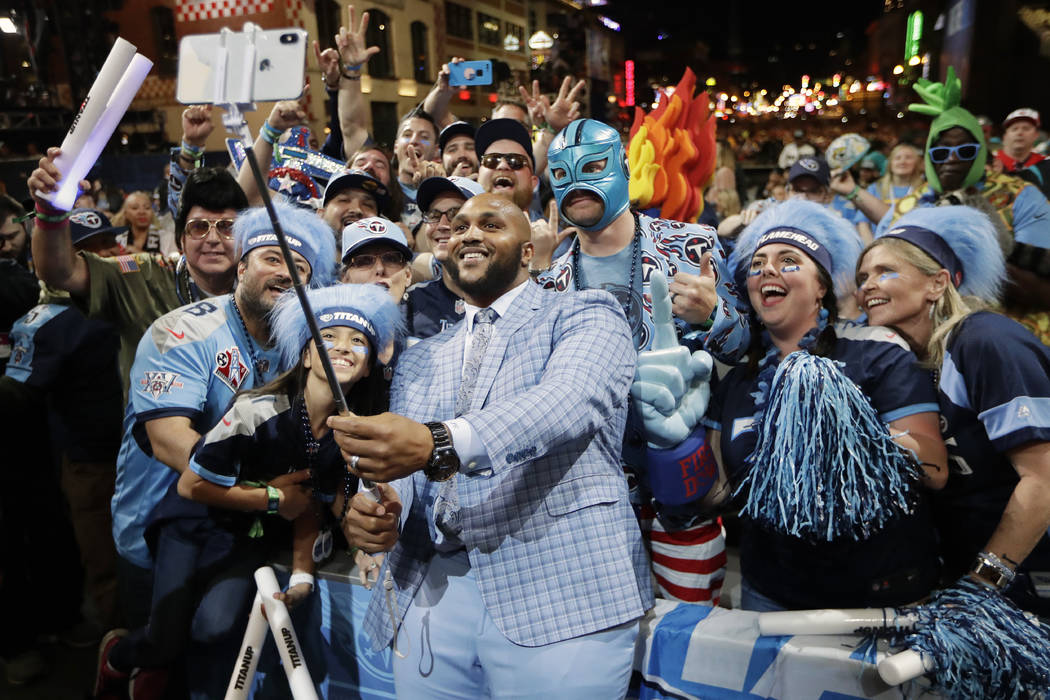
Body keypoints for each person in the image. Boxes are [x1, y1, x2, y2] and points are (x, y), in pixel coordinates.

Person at [335, 192, 652, 698]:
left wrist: (437, 441)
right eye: (458, 227)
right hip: (431, 592)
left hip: (561, 595)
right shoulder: (420, 358)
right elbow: (408, 475)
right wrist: (376, 508)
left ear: (528, 252)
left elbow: (568, 402)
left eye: (490, 224)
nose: (469, 234)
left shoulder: (587, 313)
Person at [95, 284, 400, 699]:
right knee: (163, 637)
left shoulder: (350, 431)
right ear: (306, 355)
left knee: (214, 627)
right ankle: (119, 657)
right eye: (327, 338)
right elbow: (191, 484)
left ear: (367, 367)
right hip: (193, 525)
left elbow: (314, 503)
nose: (342, 348)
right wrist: (272, 499)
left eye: (358, 341)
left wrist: (313, 569)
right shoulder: (256, 410)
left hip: (247, 537)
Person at [534, 118, 749, 605]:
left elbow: (742, 347)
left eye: (592, 167)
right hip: (591, 494)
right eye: (563, 174)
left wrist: (715, 315)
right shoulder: (547, 286)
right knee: (608, 632)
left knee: (689, 632)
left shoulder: (692, 246)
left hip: (684, 479)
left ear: (624, 169)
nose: (579, 185)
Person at [698, 199, 947, 611]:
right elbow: (715, 494)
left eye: (789, 260)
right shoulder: (737, 375)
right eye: (757, 264)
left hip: (878, 597)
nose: (768, 270)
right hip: (771, 594)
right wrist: (670, 442)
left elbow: (935, 471)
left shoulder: (877, 352)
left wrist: (848, 431)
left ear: (822, 287)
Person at [108, 202, 335, 632]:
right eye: (272, 258)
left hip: (238, 524)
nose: (285, 273)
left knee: (214, 641)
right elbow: (170, 442)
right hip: (156, 520)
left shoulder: (303, 348)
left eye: (299, 268)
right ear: (241, 267)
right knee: (157, 651)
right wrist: (268, 492)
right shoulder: (183, 330)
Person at [855, 205, 1050, 616]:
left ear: (937, 283)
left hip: (1025, 574)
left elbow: (1043, 480)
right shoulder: (900, 360)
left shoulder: (987, 342)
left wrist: (983, 585)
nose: (867, 285)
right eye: (862, 277)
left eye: (885, 271)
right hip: (965, 572)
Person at [29, 151, 249, 393]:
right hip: (154, 426)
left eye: (228, 227)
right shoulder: (143, 276)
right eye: (198, 227)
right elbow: (60, 272)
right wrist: (50, 212)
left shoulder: (258, 288)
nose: (213, 239)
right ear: (180, 240)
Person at [404, 176, 482, 339]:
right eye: (434, 215)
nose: (442, 225)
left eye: (456, 214)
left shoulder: (508, 299)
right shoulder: (412, 302)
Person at [853, 143, 925, 241]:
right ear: (890, 163)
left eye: (908, 157)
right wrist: (872, 248)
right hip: (878, 244)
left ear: (917, 163)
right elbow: (863, 223)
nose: (902, 161)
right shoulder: (874, 188)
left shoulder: (925, 189)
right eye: (897, 158)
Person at [111, 191, 176, 258]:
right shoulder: (117, 239)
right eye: (135, 208)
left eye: (147, 208)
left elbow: (172, 265)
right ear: (125, 213)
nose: (142, 212)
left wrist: (140, 254)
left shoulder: (167, 237)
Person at [995, 108, 1044, 174]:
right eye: (1014, 129)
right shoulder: (989, 162)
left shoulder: (1045, 163)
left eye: (1026, 128)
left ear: (1036, 135)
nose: (1020, 132)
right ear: (1004, 136)